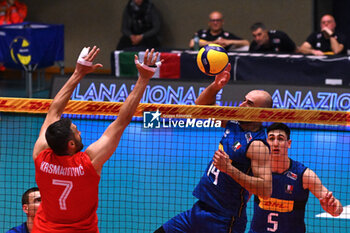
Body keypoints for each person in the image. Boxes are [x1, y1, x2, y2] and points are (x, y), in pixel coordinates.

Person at [31, 46, 160, 232]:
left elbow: (54, 111)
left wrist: (77, 73)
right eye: (76, 131)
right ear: (71, 144)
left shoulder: (40, 155)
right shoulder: (88, 162)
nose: (80, 132)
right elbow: (122, 121)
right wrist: (144, 78)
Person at [154, 64, 273, 233]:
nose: (242, 104)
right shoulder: (233, 122)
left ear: (262, 113)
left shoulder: (257, 145)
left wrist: (229, 169)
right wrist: (216, 86)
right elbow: (200, 107)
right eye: (244, 99)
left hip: (224, 220)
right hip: (198, 210)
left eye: (250, 103)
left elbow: (265, 190)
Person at [249, 123, 343, 233]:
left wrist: (333, 208)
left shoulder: (304, 175)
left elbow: (337, 210)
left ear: (289, 143)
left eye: (280, 139)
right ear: (266, 143)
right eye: (271, 138)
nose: (275, 143)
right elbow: (240, 201)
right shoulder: (255, 170)